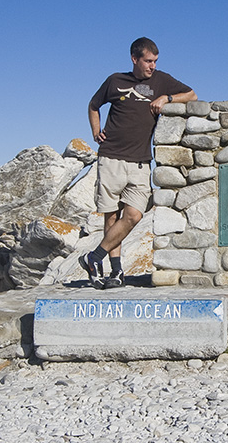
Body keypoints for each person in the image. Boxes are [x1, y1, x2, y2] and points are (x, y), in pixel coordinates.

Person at [79, 37, 197, 289]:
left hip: (141, 161)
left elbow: (192, 94)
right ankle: (116, 272)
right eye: (148, 61)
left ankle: (93, 257)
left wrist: (167, 98)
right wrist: (95, 130)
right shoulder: (115, 81)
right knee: (111, 217)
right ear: (134, 59)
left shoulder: (161, 80)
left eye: (155, 61)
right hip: (110, 157)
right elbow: (93, 105)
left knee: (133, 215)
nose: (152, 66)